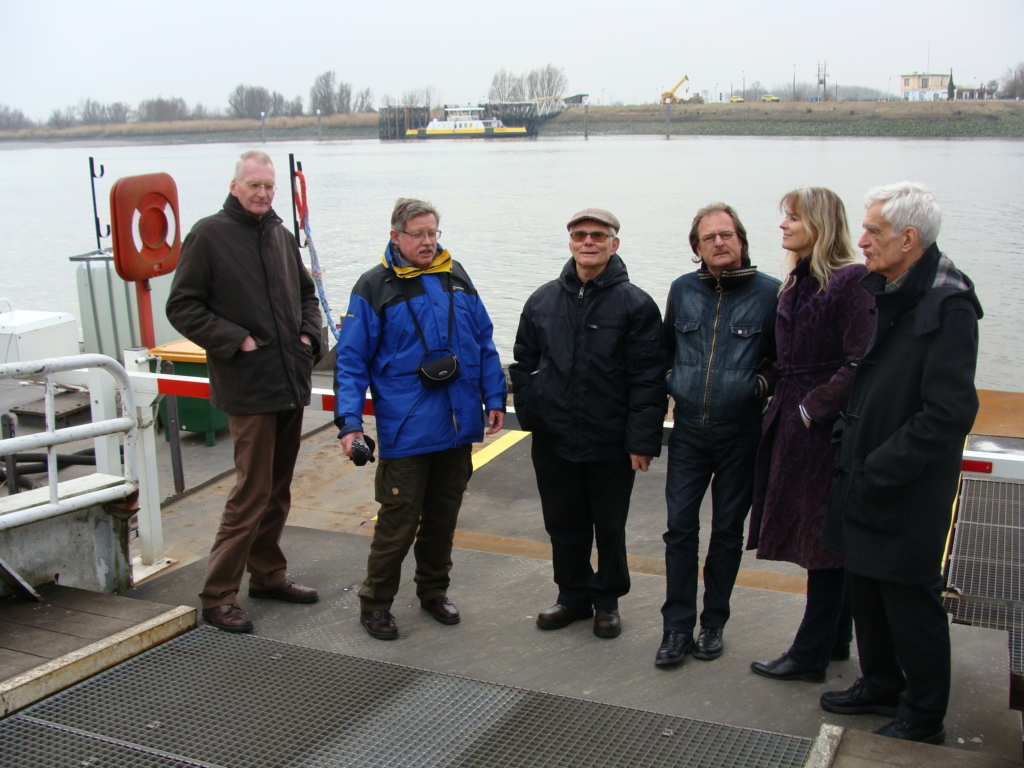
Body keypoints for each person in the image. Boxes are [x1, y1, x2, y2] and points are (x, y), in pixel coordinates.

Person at [820, 182, 982, 745]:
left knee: (909, 600)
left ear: (908, 239)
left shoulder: (947, 304)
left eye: (873, 231)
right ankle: (881, 683)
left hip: (904, 486)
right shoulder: (894, 290)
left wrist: (882, 465)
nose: (861, 240)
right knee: (866, 588)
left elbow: (949, 411)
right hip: (865, 474)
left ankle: (924, 712)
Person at [334, 198, 506, 640]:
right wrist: (349, 424)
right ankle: (375, 604)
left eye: (434, 233)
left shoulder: (456, 277)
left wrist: (494, 396)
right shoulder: (373, 286)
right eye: (418, 234)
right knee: (397, 524)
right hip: (407, 430)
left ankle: (433, 591)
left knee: (443, 520)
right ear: (396, 237)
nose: (428, 242)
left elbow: (484, 341)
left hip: (456, 427)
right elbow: (351, 362)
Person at [167, 150, 322, 633]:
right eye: (254, 185)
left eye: (269, 187)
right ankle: (217, 595)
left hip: (288, 381)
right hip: (248, 385)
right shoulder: (209, 235)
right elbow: (183, 305)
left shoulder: (278, 234)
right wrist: (238, 340)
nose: (262, 193)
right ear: (235, 186)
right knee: (250, 493)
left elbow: (306, 296)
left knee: (277, 492)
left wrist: (308, 339)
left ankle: (268, 575)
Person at [510, 209, 666, 639]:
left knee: (609, 525)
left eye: (599, 235)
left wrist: (642, 441)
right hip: (554, 438)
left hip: (611, 441)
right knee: (563, 521)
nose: (588, 242)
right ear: (571, 243)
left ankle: (608, 600)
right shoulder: (543, 300)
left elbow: (649, 379)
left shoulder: (636, 304)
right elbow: (523, 363)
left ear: (614, 244)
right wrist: (533, 416)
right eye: (580, 235)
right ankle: (572, 596)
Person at [746, 188, 875, 682]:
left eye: (794, 219)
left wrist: (810, 409)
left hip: (823, 433)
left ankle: (809, 653)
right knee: (820, 536)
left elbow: (860, 360)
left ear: (819, 225)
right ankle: (836, 638)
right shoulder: (798, 281)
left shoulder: (850, 282)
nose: (783, 226)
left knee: (823, 539)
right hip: (793, 423)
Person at [657, 203, 780, 666]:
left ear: (742, 240)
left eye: (727, 235)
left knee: (727, 533)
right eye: (709, 238)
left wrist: (759, 386)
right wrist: (674, 381)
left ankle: (713, 625)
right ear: (697, 248)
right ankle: (675, 629)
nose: (719, 243)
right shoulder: (682, 291)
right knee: (679, 532)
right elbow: (666, 348)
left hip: (741, 434)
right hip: (688, 432)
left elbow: (780, 360)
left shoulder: (770, 293)